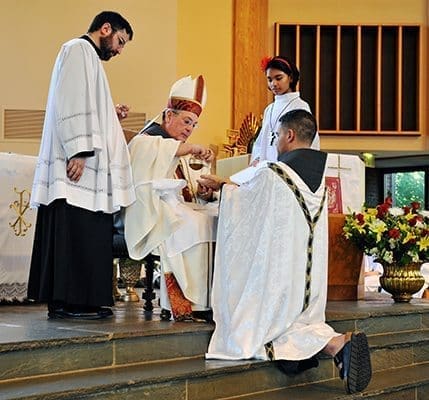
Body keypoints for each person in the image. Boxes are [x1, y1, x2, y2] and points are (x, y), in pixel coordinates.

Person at [199, 110, 372, 395]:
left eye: (277, 135)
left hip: (280, 276)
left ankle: (338, 344)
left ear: (289, 135)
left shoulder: (274, 172)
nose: (276, 142)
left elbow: (244, 207)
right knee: (300, 321)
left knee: (264, 331)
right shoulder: (320, 181)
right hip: (306, 282)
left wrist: (222, 188)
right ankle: (336, 345)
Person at [27, 11, 136, 320]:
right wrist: (79, 150)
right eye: (119, 40)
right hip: (78, 165)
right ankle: (71, 301)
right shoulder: (77, 49)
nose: (118, 49)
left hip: (85, 163)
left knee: (86, 231)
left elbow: (84, 105)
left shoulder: (86, 56)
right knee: (76, 231)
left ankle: (81, 300)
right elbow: (71, 100)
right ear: (105, 28)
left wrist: (109, 114)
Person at [124, 76, 216, 322]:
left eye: (194, 125)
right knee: (190, 223)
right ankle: (182, 302)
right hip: (148, 210)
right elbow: (146, 180)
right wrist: (191, 148)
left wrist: (204, 194)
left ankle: (207, 301)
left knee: (213, 219)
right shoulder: (146, 141)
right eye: (187, 121)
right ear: (168, 115)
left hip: (173, 207)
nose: (189, 129)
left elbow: (185, 192)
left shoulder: (173, 147)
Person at [250, 56, 320, 164]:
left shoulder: (300, 107)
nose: (273, 84)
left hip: (288, 167)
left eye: (278, 78)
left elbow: (308, 143)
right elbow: (260, 142)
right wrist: (257, 158)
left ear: (290, 78)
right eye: (270, 79)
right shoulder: (269, 109)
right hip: (265, 168)